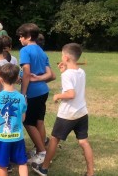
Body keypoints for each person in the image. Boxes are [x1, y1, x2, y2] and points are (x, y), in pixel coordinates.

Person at [32, 43, 94, 176]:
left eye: (61, 55)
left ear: (65, 57)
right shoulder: (81, 71)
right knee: (83, 141)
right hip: (82, 112)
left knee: (54, 139)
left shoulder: (66, 76)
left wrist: (57, 96)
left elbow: (71, 94)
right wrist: (64, 71)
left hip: (67, 115)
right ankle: (90, 172)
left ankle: (44, 168)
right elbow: (74, 81)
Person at [16, 23, 54, 165]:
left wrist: (24, 94)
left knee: (27, 122)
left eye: (21, 36)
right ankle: (40, 151)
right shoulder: (40, 50)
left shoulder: (25, 51)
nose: (20, 39)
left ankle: (42, 152)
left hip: (32, 92)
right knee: (39, 121)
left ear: (29, 37)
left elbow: (26, 73)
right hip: (43, 91)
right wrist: (38, 78)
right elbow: (49, 73)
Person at [0, 64, 29, 176]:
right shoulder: (21, 97)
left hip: (1, 139)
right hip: (18, 137)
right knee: (22, 163)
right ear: (17, 79)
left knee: (2, 165)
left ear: (0, 78)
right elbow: (23, 118)